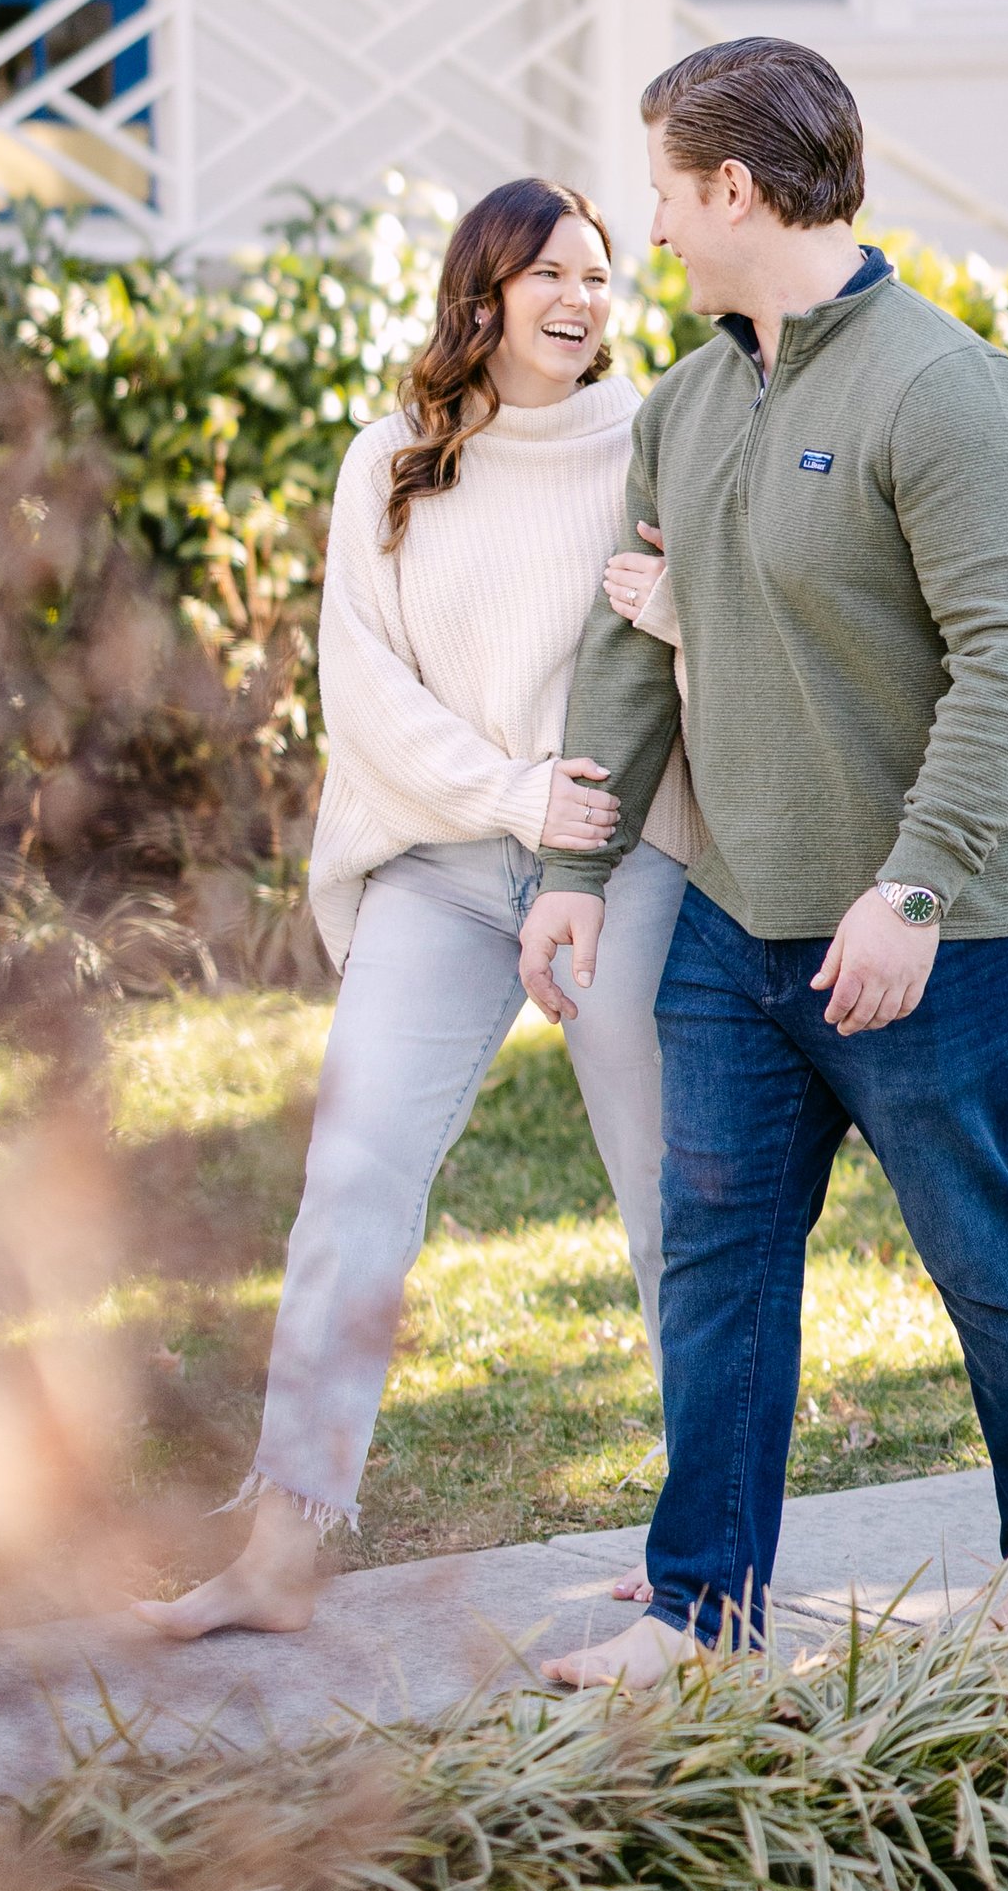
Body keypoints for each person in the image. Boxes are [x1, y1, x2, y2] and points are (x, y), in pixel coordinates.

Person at [519, 38, 1008, 1687]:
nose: (645, 226)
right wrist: (573, 865)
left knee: (995, 1263)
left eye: (659, 188)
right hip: (740, 917)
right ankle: (702, 1607)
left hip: (954, 927)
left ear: (735, 187)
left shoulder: (944, 389)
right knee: (714, 1265)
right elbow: (632, 647)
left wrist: (913, 889)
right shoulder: (693, 401)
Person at [131, 176, 694, 1641]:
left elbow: (732, 637)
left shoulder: (660, 438)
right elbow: (363, 694)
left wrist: (680, 618)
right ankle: (281, 1544)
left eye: (600, 274)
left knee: (671, 1184)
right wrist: (516, 797)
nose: (582, 299)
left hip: (626, 861)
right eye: (550, 274)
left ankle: (704, 1528)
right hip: (445, 864)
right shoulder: (393, 459)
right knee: (355, 1172)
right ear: (485, 294)